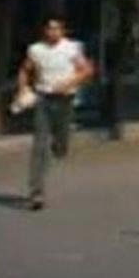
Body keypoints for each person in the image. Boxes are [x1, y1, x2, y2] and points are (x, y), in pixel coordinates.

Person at [15, 16, 94, 211]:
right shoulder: (36, 50)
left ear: (63, 31)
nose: (53, 32)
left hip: (64, 99)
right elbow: (25, 70)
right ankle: (36, 192)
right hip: (43, 98)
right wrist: (23, 89)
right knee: (39, 145)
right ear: (45, 31)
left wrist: (69, 83)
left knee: (61, 141)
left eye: (57, 29)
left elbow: (86, 70)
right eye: (50, 29)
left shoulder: (70, 48)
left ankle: (60, 146)